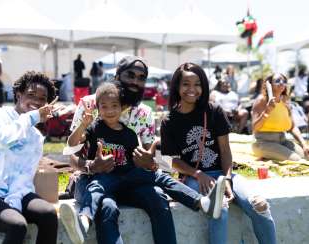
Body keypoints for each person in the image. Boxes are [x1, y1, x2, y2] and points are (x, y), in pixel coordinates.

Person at [64, 56, 222, 244]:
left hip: (130, 179)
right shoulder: (91, 105)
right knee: (106, 206)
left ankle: (201, 203)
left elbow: (153, 161)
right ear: (117, 75)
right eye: (130, 75)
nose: (135, 82)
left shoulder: (144, 113)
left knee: (157, 197)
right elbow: (71, 154)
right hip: (93, 180)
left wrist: (149, 162)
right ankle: (83, 223)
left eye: (141, 77)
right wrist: (91, 166)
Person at [161, 62, 276, 244]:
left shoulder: (213, 111)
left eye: (197, 84)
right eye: (186, 84)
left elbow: (225, 150)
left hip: (224, 173)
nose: (192, 89)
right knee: (219, 207)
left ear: (204, 86)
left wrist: (228, 179)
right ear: (176, 86)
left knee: (259, 205)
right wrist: (198, 174)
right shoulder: (169, 121)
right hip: (193, 177)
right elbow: (169, 161)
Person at [0, 71, 58, 244]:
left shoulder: (36, 137)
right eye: (31, 95)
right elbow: (3, 139)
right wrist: (33, 117)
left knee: (49, 214)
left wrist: (14, 202)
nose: (37, 101)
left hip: (16, 193)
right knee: (17, 225)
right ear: (18, 95)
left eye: (43, 98)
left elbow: (24, 177)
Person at [251, 73, 309, 161]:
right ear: (270, 84)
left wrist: (304, 144)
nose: (282, 83)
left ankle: (269, 156)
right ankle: (266, 155)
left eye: (284, 81)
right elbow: (255, 128)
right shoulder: (261, 100)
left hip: (282, 141)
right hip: (263, 142)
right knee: (296, 160)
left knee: (306, 156)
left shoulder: (285, 102)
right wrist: (267, 111)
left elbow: (292, 127)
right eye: (277, 81)